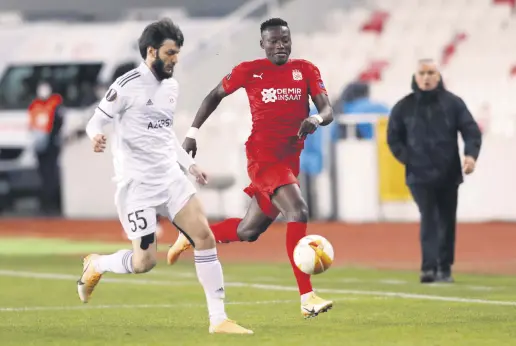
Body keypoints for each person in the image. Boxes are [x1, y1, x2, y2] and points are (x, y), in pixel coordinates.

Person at [79, 18, 252, 335]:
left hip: (170, 178)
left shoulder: (171, 87)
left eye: (178, 52)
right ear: (151, 51)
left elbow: (164, 133)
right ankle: (97, 264)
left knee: (204, 237)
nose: (176, 59)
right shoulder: (127, 85)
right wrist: (95, 137)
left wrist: (188, 164)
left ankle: (219, 319)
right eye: (170, 52)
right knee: (145, 262)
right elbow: (95, 122)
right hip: (137, 186)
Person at [167, 18, 334, 319]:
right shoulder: (250, 70)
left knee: (249, 230)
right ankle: (307, 297)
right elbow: (214, 95)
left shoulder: (306, 70)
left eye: (285, 39)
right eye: (273, 41)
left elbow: (327, 110)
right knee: (298, 211)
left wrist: (316, 120)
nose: (280, 45)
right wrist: (191, 133)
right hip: (263, 158)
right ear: (262, 44)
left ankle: (193, 235)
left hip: (289, 160)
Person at [387, 59, 482, 284]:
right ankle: (429, 268)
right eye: (422, 73)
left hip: (448, 174)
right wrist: (409, 159)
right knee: (429, 217)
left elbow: (471, 131)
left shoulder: (453, 104)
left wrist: (470, 155)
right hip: (418, 176)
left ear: (438, 76)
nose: (427, 77)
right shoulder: (404, 106)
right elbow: (393, 138)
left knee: (447, 220)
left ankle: (444, 268)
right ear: (416, 77)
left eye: (431, 72)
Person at [28, 82, 65, 215]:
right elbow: (32, 124)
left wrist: (51, 138)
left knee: (51, 175)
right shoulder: (35, 106)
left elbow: (58, 124)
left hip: (51, 145)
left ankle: (52, 203)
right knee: (43, 175)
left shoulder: (55, 105)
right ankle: (45, 203)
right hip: (39, 145)